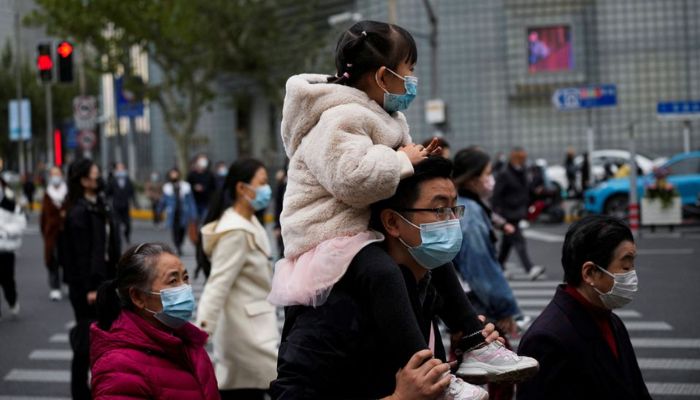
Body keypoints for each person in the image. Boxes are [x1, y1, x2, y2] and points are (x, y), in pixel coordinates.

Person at [271, 156, 538, 400]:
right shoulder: (336, 305)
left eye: (455, 209)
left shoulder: (427, 289)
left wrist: (463, 358)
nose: (452, 222)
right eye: (439, 210)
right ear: (392, 223)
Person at [517, 215, 651, 399]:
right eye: (625, 266)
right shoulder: (546, 340)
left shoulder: (611, 321)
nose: (633, 275)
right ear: (589, 273)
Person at [90, 243, 220, 399]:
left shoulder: (188, 343)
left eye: (185, 278)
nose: (185, 288)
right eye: (173, 281)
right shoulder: (118, 367)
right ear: (138, 297)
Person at [196, 159, 278, 399]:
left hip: (255, 329)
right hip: (246, 337)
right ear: (242, 188)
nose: (267, 189)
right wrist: (201, 332)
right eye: (262, 183)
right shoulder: (236, 232)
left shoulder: (248, 222)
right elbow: (217, 285)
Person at [453, 148, 527, 399]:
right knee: (500, 374)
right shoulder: (470, 213)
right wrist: (505, 308)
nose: (491, 178)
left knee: (463, 368)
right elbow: (481, 268)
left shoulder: (465, 206)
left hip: (466, 304)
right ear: (473, 179)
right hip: (478, 306)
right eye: (487, 173)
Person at [62, 159, 121, 400]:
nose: (100, 180)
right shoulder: (78, 211)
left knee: (104, 338)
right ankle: (80, 393)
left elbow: (108, 246)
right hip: (88, 287)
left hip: (105, 280)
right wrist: (90, 288)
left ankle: (101, 387)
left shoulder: (99, 206)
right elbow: (79, 255)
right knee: (86, 342)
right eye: (96, 176)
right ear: (84, 180)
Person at [492, 147, 544, 280]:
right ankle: (530, 268)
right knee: (519, 240)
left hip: (518, 211)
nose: (524, 160)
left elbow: (526, 189)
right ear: (515, 157)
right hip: (508, 213)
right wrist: (497, 213)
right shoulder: (505, 173)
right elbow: (496, 195)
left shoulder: (522, 171)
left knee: (507, 243)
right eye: (522, 158)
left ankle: (498, 266)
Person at [40, 166, 68, 301]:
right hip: (51, 234)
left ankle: (67, 282)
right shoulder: (47, 194)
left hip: (67, 233)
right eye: (53, 174)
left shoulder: (68, 194)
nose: (55, 177)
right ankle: (55, 287)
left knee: (68, 259)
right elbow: (43, 217)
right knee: (53, 260)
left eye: (57, 174)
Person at [0, 176, 25, 319]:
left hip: (5, 249)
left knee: (7, 279)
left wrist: (4, 231)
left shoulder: (10, 199)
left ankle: (12, 300)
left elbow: (20, 224)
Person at [160, 168, 197, 256]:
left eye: (175, 173)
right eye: (172, 173)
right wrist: (159, 210)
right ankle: (178, 246)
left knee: (182, 230)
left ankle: (180, 243)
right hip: (172, 212)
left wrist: (193, 213)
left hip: (183, 211)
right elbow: (163, 200)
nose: (174, 175)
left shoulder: (185, 186)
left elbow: (191, 201)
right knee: (174, 230)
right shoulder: (167, 187)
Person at [105, 162, 136, 244]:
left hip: (125, 205)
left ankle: (127, 235)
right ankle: (117, 240)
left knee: (128, 224)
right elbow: (107, 192)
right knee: (117, 224)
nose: (120, 169)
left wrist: (135, 203)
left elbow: (132, 192)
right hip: (116, 205)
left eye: (122, 168)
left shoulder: (128, 180)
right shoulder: (112, 180)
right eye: (119, 168)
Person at [187, 154, 216, 223]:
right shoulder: (191, 174)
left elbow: (213, 187)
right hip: (194, 201)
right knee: (195, 220)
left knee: (205, 220)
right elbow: (187, 186)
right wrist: (194, 187)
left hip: (206, 201)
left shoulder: (210, 174)